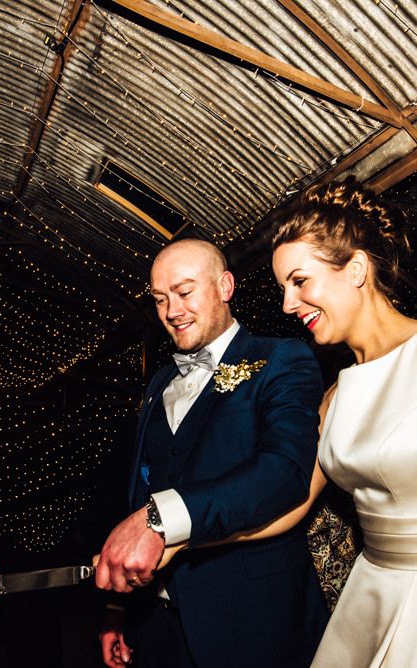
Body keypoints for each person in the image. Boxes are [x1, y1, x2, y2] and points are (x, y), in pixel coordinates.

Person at [96, 238, 329, 667]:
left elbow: (283, 473)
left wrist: (160, 520)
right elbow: (143, 487)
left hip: (252, 623)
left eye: (185, 292)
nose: (172, 311)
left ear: (225, 286)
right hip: (159, 626)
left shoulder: (281, 359)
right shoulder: (157, 382)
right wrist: (120, 610)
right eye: (161, 299)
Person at [272, 177, 417, 666]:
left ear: (355, 268)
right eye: (283, 288)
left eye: (299, 281)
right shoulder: (335, 394)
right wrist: (173, 538)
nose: (288, 304)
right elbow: (289, 502)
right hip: (368, 597)